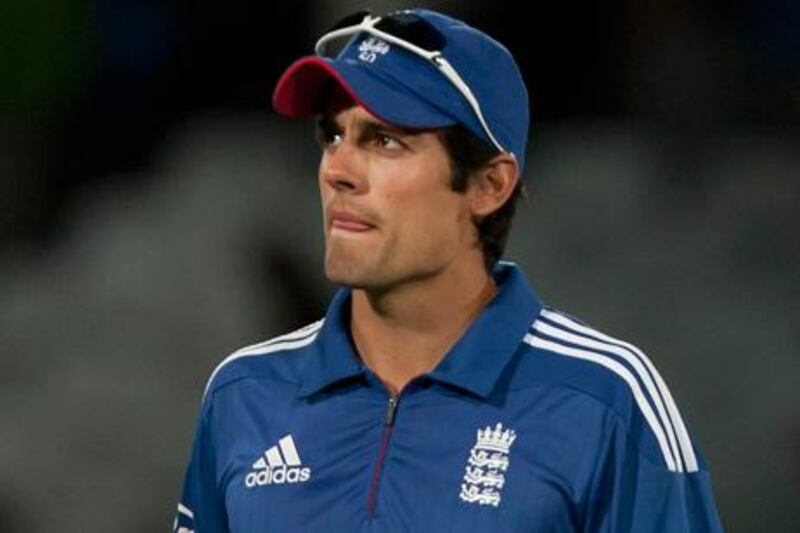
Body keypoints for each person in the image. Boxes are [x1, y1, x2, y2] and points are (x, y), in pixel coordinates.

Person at [173, 8, 724, 532]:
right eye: (332, 135)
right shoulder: (243, 394)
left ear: (489, 185)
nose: (337, 170)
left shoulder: (603, 398)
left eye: (385, 140)